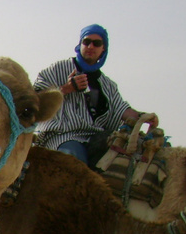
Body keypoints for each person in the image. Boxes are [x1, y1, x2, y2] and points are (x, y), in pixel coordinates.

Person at [34, 24, 158, 167]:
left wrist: (144, 117)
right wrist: (67, 88)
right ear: (80, 44)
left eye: (96, 43)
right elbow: (36, 99)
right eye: (86, 42)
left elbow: (121, 110)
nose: (91, 46)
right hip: (63, 136)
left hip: (97, 138)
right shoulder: (57, 70)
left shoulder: (107, 85)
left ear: (103, 48)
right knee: (76, 166)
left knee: (125, 164)